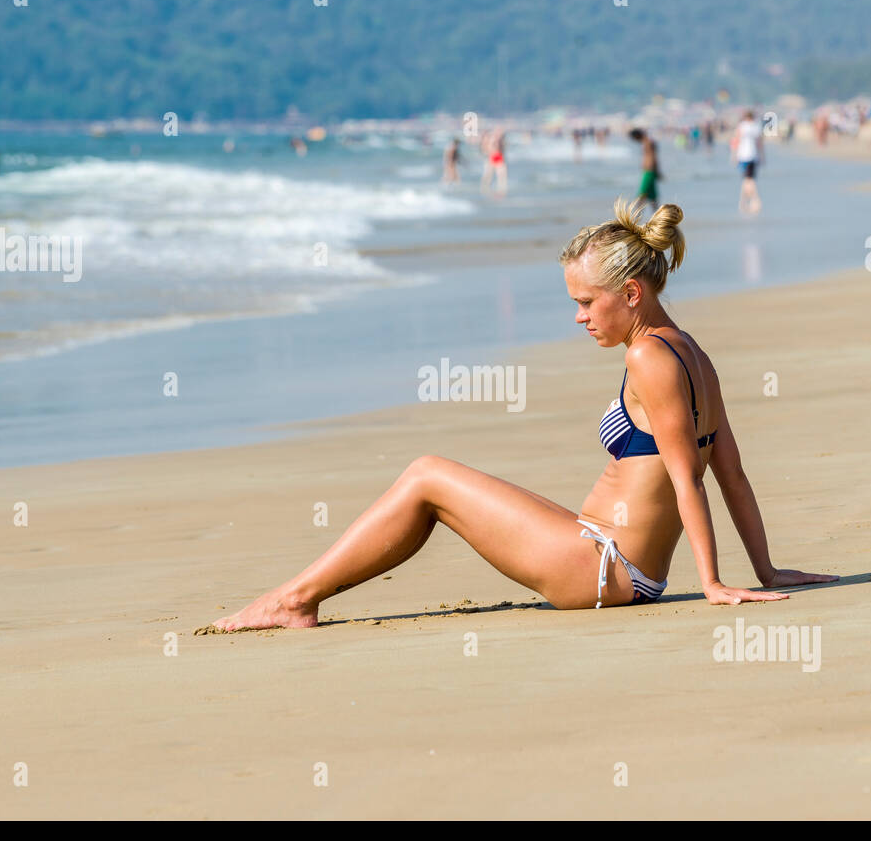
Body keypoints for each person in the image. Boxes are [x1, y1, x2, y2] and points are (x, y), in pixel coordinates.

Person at [211, 198, 838, 631]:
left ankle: (295, 600)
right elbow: (730, 470)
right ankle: (299, 598)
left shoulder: (650, 357)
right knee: (431, 479)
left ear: (631, 293)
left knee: (427, 475)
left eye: (587, 302)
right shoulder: (691, 351)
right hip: (612, 559)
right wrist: (766, 567)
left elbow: (687, 477)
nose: (579, 317)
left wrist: (712, 583)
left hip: (605, 569)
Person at [732, 110, 764, 214]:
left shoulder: (742, 126)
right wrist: (762, 155)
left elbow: (736, 140)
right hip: (753, 155)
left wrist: (734, 155)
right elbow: (759, 143)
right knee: (748, 180)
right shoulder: (756, 126)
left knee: (747, 180)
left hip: (743, 155)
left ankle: (749, 202)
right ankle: (749, 202)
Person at [629, 128, 661, 211]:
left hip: (649, 172)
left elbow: (653, 157)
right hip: (649, 171)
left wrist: (656, 171)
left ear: (637, 136)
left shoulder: (648, 142)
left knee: (641, 195)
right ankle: (659, 219)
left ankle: (634, 219)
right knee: (653, 198)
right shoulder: (646, 142)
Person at [480, 128, 507, 195]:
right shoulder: (492, 140)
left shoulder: (500, 140)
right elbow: (485, 149)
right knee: (488, 175)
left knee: (501, 175)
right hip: (493, 157)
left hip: (498, 157)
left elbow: (502, 150)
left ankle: (501, 189)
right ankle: (485, 189)